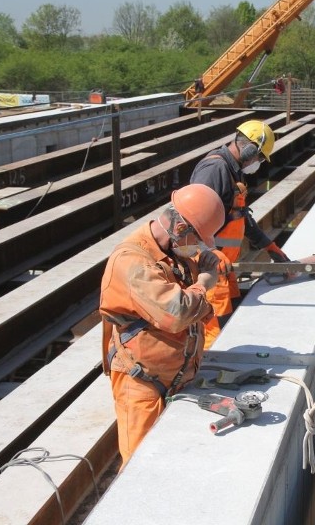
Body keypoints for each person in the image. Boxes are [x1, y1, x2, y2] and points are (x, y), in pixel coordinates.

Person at [99, 183, 225, 469]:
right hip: (142, 383)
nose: (198, 247)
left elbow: (193, 301)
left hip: (175, 379)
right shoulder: (133, 262)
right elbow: (176, 313)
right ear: (180, 228)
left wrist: (205, 267)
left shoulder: (173, 254)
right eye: (198, 239)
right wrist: (204, 283)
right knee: (140, 467)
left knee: (170, 461)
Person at [189, 119, 290, 348]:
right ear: (250, 150)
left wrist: (270, 248)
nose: (259, 163)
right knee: (210, 333)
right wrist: (211, 255)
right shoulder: (215, 170)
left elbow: (241, 216)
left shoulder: (233, 171)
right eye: (260, 157)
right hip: (209, 269)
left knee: (224, 326)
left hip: (223, 268)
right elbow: (192, 223)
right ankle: (203, 377)